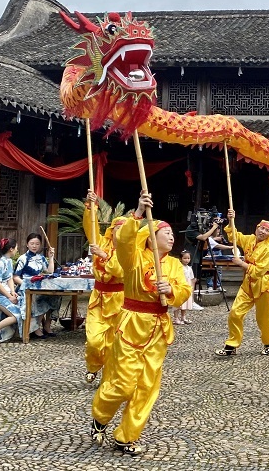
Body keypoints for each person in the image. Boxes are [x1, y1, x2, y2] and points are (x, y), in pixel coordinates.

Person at [90, 191, 192, 455]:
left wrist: (170, 289)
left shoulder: (173, 265)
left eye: (172, 233)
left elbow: (184, 291)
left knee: (147, 386)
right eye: (165, 232)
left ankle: (126, 436)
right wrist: (137, 213)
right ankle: (100, 416)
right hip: (131, 324)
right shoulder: (133, 259)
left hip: (158, 328)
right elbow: (122, 241)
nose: (171, 236)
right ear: (150, 237)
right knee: (123, 383)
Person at [215, 210, 269, 356]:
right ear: (256, 228)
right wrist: (231, 220)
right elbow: (234, 237)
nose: (262, 231)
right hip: (247, 284)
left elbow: (259, 271)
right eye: (261, 228)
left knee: (262, 318)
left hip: (263, 285)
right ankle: (231, 345)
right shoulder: (250, 239)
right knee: (235, 313)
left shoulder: (267, 249)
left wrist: (241, 263)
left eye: (266, 230)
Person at [82, 191, 127, 383]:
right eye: (119, 229)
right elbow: (90, 228)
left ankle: (109, 375)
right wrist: (91, 207)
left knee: (114, 341)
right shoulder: (101, 242)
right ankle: (93, 366)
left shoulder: (131, 252)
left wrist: (104, 256)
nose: (122, 233)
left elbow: (121, 272)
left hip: (120, 300)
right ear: (112, 229)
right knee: (94, 340)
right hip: (99, 298)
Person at [14, 232, 56, 338]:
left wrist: (51, 258)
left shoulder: (41, 258)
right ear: (27, 244)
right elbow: (15, 277)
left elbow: (49, 272)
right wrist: (27, 284)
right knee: (39, 299)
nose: (34, 246)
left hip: (39, 287)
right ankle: (35, 328)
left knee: (55, 296)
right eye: (32, 243)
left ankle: (47, 325)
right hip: (25, 288)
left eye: (37, 244)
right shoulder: (23, 258)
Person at [173, 250, 195, 324]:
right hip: (180, 285)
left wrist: (192, 287)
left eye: (188, 258)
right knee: (178, 302)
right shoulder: (179, 267)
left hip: (187, 285)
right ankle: (176, 318)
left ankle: (183, 317)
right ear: (180, 258)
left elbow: (192, 278)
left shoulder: (189, 268)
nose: (187, 260)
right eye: (185, 258)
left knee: (185, 302)